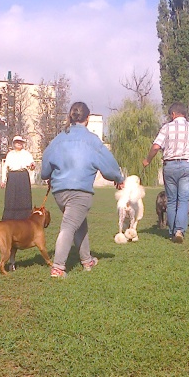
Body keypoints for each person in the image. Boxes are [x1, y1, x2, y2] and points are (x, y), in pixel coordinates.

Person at [40, 101, 123, 278]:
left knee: (79, 223)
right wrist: (118, 178)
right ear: (88, 118)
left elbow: (44, 170)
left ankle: (87, 260)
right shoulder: (92, 140)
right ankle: (58, 268)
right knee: (69, 226)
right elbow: (109, 167)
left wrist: (50, 174)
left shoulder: (58, 139)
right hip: (80, 191)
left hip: (59, 192)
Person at [142, 102, 189, 243]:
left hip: (170, 166)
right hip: (187, 165)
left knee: (172, 200)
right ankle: (179, 230)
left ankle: (172, 231)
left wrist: (147, 160)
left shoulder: (166, 128)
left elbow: (156, 146)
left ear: (173, 114)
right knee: (183, 200)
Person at [0, 134, 36, 270]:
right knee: (11, 199)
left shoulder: (27, 154)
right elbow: (5, 168)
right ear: (14, 143)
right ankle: (10, 218)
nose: (19, 144)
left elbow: (32, 166)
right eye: (17, 142)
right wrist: (3, 180)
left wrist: (32, 166)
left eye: (20, 142)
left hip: (22, 177)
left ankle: (24, 218)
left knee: (24, 199)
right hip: (12, 177)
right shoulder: (10, 154)